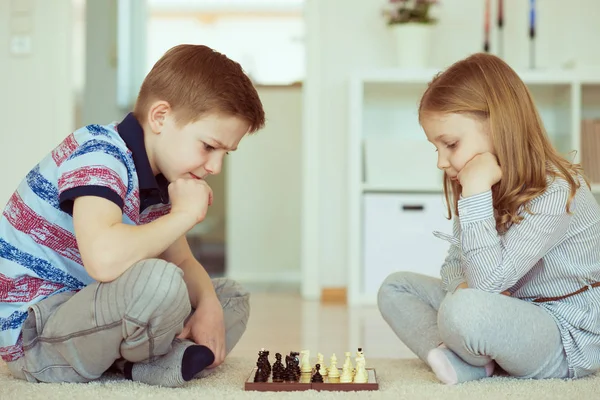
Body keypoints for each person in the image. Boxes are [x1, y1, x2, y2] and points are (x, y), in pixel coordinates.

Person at [0, 44, 265, 387]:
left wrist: (209, 305)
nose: (215, 166)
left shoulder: (162, 179)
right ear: (160, 117)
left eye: (225, 154)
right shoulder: (100, 152)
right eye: (209, 146)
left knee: (229, 296)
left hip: (95, 315)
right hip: (38, 334)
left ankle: (136, 358)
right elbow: (104, 260)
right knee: (159, 282)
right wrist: (184, 215)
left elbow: (183, 262)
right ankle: (144, 363)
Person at [378, 53, 600, 385]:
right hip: (501, 313)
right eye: (435, 148)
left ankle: (468, 351)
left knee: (463, 310)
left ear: (499, 126)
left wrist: (477, 192)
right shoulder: (475, 185)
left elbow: (486, 286)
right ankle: (462, 360)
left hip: (564, 336)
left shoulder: (556, 190)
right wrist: (464, 288)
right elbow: (454, 264)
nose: (441, 161)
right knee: (395, 288)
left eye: (450, 144)